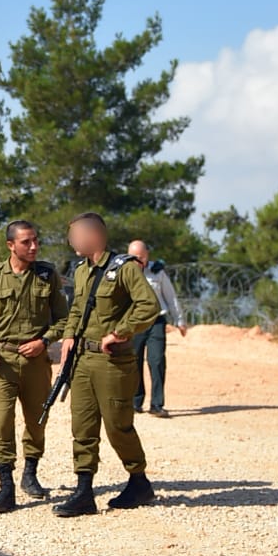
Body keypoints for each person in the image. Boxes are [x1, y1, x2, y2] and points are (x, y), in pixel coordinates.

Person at [54, 212, 162, 518]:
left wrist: (120, 332)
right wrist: (68, 338)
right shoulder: (80, 271)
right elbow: (77, 308)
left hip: (113, 362)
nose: (71, 241)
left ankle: (139, 481)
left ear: (94, 236)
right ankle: (84, 491)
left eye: (75, 235)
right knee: (83, 426)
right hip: (83, 360)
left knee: (118, 425)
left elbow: (149, 306)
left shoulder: (124, 269)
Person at [0, 220, 69, 512]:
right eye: (27, 242)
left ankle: (30, 473)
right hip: (2, 361)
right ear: (11, 245)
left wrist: (45, 340)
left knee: (37, 420)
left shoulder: (47, 275)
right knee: (2, 422)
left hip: (36, 361)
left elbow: (63, 319)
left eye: (36, 241)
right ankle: (5, 485)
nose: (34, 246)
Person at [128, 239, 187, 417]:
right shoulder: (124, 271)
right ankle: (135, 402)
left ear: (147, 255)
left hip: (156, 321)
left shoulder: (157, 272)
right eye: (134, 257)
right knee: (133, 361)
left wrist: (180, 320)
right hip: (134, 322)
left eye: (141, 257)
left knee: (157, 361)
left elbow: (171, 296)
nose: (138, 260)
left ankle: (157, 405)